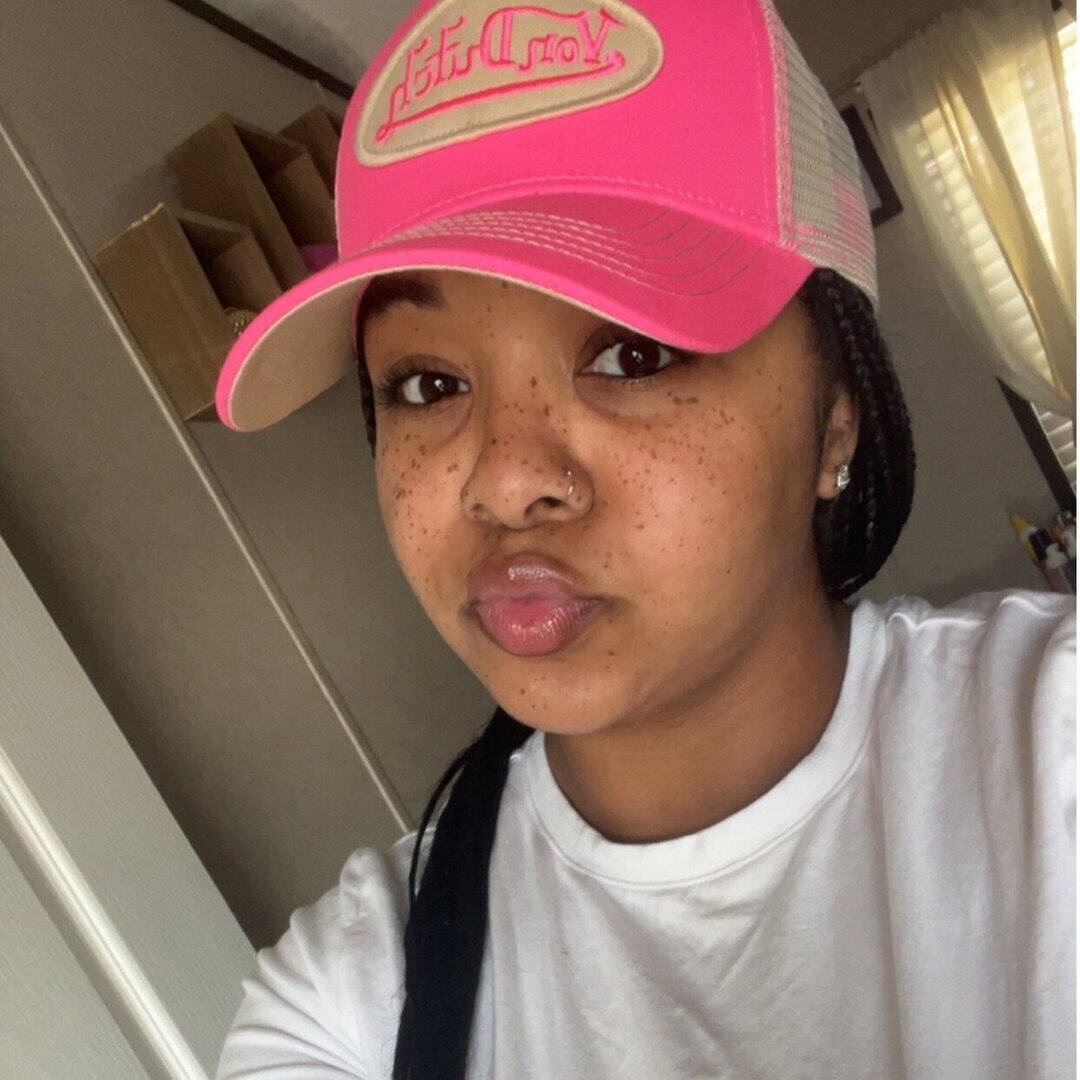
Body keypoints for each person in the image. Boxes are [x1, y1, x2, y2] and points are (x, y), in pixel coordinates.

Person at [214, 0, 1076, 1077]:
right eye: (428, 383)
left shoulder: (1052, 745)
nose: (506, 481)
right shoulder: (348, 1000)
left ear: (837, 418)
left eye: (633, 356)